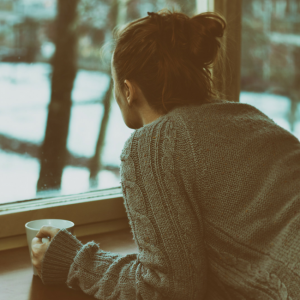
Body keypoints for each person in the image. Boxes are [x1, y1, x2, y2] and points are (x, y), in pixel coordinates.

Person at [31, 8, 300, 300]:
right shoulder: (249, 116)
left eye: (114, 84)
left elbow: (168, 289)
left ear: (128, 90)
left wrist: (72, 261)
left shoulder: (154, 144)